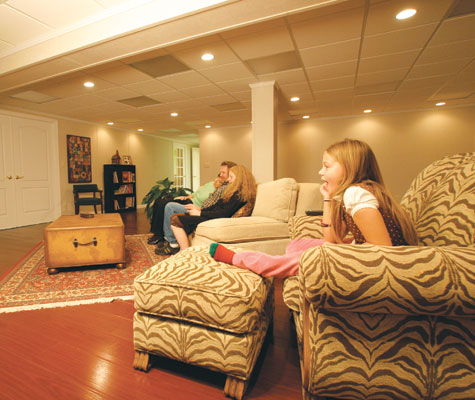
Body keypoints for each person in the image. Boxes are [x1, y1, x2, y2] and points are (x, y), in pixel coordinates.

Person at [210, 138, 418, 278]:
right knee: (298, 243)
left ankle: (241, 259)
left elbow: (384, 250)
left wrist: (342, 250)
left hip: (380, 265)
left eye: (327, 166)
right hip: (363, 251)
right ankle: (290, 257)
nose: (320, 171)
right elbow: (331, 238)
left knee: (301, 258)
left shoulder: (355, 193)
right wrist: (328, 199)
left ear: (350, 168)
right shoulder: (350, 194)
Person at [169, 165, 257, 253]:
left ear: (240, 178)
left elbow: (224, 213)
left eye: (231, 177)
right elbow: (216, 206)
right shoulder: (232, 192)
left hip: (216, 218)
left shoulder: (240, 196)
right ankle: (184, 249)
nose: (228, 180)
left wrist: (200, 214)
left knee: (175, 219)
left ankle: (184, 251)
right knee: (177, 216)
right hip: (210, 215)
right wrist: (200, 211)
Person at [147, 161, 236, 245]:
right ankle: (158, 234)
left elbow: (212, 204)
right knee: (159, 201)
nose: (220, 175)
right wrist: (186, 196)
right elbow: (196, 193)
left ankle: (161, 236)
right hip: (189, 200)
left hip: (194, 205)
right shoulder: (211, 183)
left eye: (223, 173)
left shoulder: (222, 188)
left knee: (166, 205)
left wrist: (199, 209)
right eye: (220, 172)